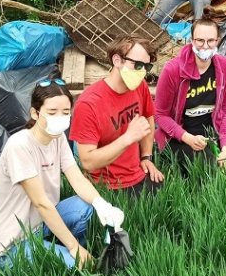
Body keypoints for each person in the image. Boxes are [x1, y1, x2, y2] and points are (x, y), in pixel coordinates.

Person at [0, 79, 125, 269]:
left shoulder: (57, 138)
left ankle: (70, 247)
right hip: (14, 242)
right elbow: (41, 203)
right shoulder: (19, 146)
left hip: (40, 223)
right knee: (77, 267)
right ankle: (73, 251)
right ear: (35, 113)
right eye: (52, 112)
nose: (60, 118)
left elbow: (76, 178)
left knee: (86, 205)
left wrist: (102, 205)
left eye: (66, 112)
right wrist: (73, 248)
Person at [69, 37, 165, 195]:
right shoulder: (89, 104)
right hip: (107, 185)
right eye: (137, 65)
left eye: (146, 67)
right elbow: (88, 162)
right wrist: (128, 138)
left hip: (136, 172)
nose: (142, 72)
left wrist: (146, 157)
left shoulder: (140, 86)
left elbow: (148, 118)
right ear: (117, 61)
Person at [154, 16, 226, 170]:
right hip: (180, 136)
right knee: (209, 169)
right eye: (200, 40)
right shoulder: (172, 70)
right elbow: (160, 115)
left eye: (211, 41)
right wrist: (187, 138)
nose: (205, 46)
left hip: (213, 131)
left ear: (218, 41)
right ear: (191, 41)